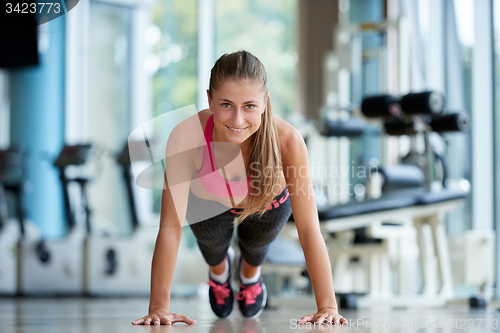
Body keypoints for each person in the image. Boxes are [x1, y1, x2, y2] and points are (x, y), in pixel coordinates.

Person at [132, 51, 347, 326]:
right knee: (213, 247)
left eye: (249, 106)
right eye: (225, 104)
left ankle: (249, 275)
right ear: (209, 98)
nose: (236, 120)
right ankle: (220, 272)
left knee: (255, 248)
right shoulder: (186, 137)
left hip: (267, 205)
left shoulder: (288, 142)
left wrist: (327, 305)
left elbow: (308, 229)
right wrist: (159, 307)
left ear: (264, 102)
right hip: (208, 202)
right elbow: (171, 228)